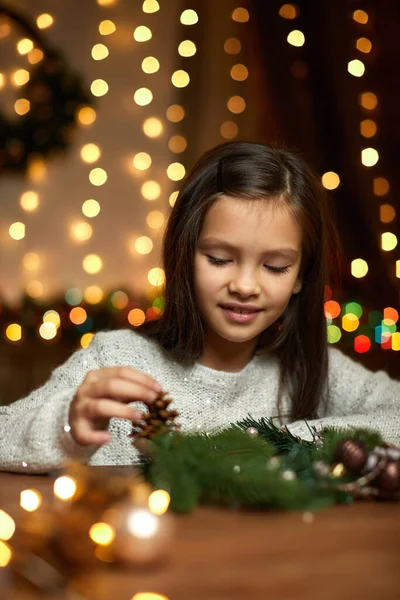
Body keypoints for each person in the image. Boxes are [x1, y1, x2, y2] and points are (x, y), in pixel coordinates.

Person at [0, 141, 399, 474]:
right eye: (220, 259)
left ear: (301, 276)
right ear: (184, 255)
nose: (244, 286)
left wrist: (279, 442)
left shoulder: (309, 368)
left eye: (275, 266)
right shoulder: (118, 358)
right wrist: (68, 425)